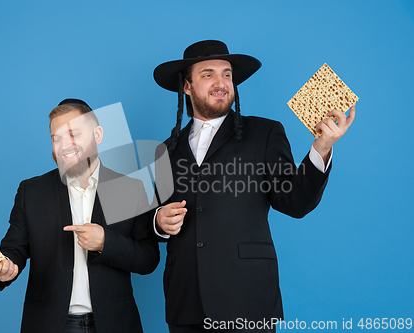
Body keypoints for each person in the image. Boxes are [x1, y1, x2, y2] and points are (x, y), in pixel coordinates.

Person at [152, 40, 355, 332]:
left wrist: (321, 149)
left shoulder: (265, 132)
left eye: (227, 74)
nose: (221, 83)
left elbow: (295, 203)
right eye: (208, 74)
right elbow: (153, 224)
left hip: (248, 299)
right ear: (187, 86)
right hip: (186, 300)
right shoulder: (164, 151)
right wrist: (159, 221)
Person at [0, 98, 159, 333]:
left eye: (74, 134)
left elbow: (148, 258)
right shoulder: (32, 191)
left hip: (114, 323)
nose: (64, 145)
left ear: (97, 134)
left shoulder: (130, 189)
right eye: (56, 138)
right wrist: (5, 266)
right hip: (49, 324)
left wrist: (106, 243)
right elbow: (14, 249)